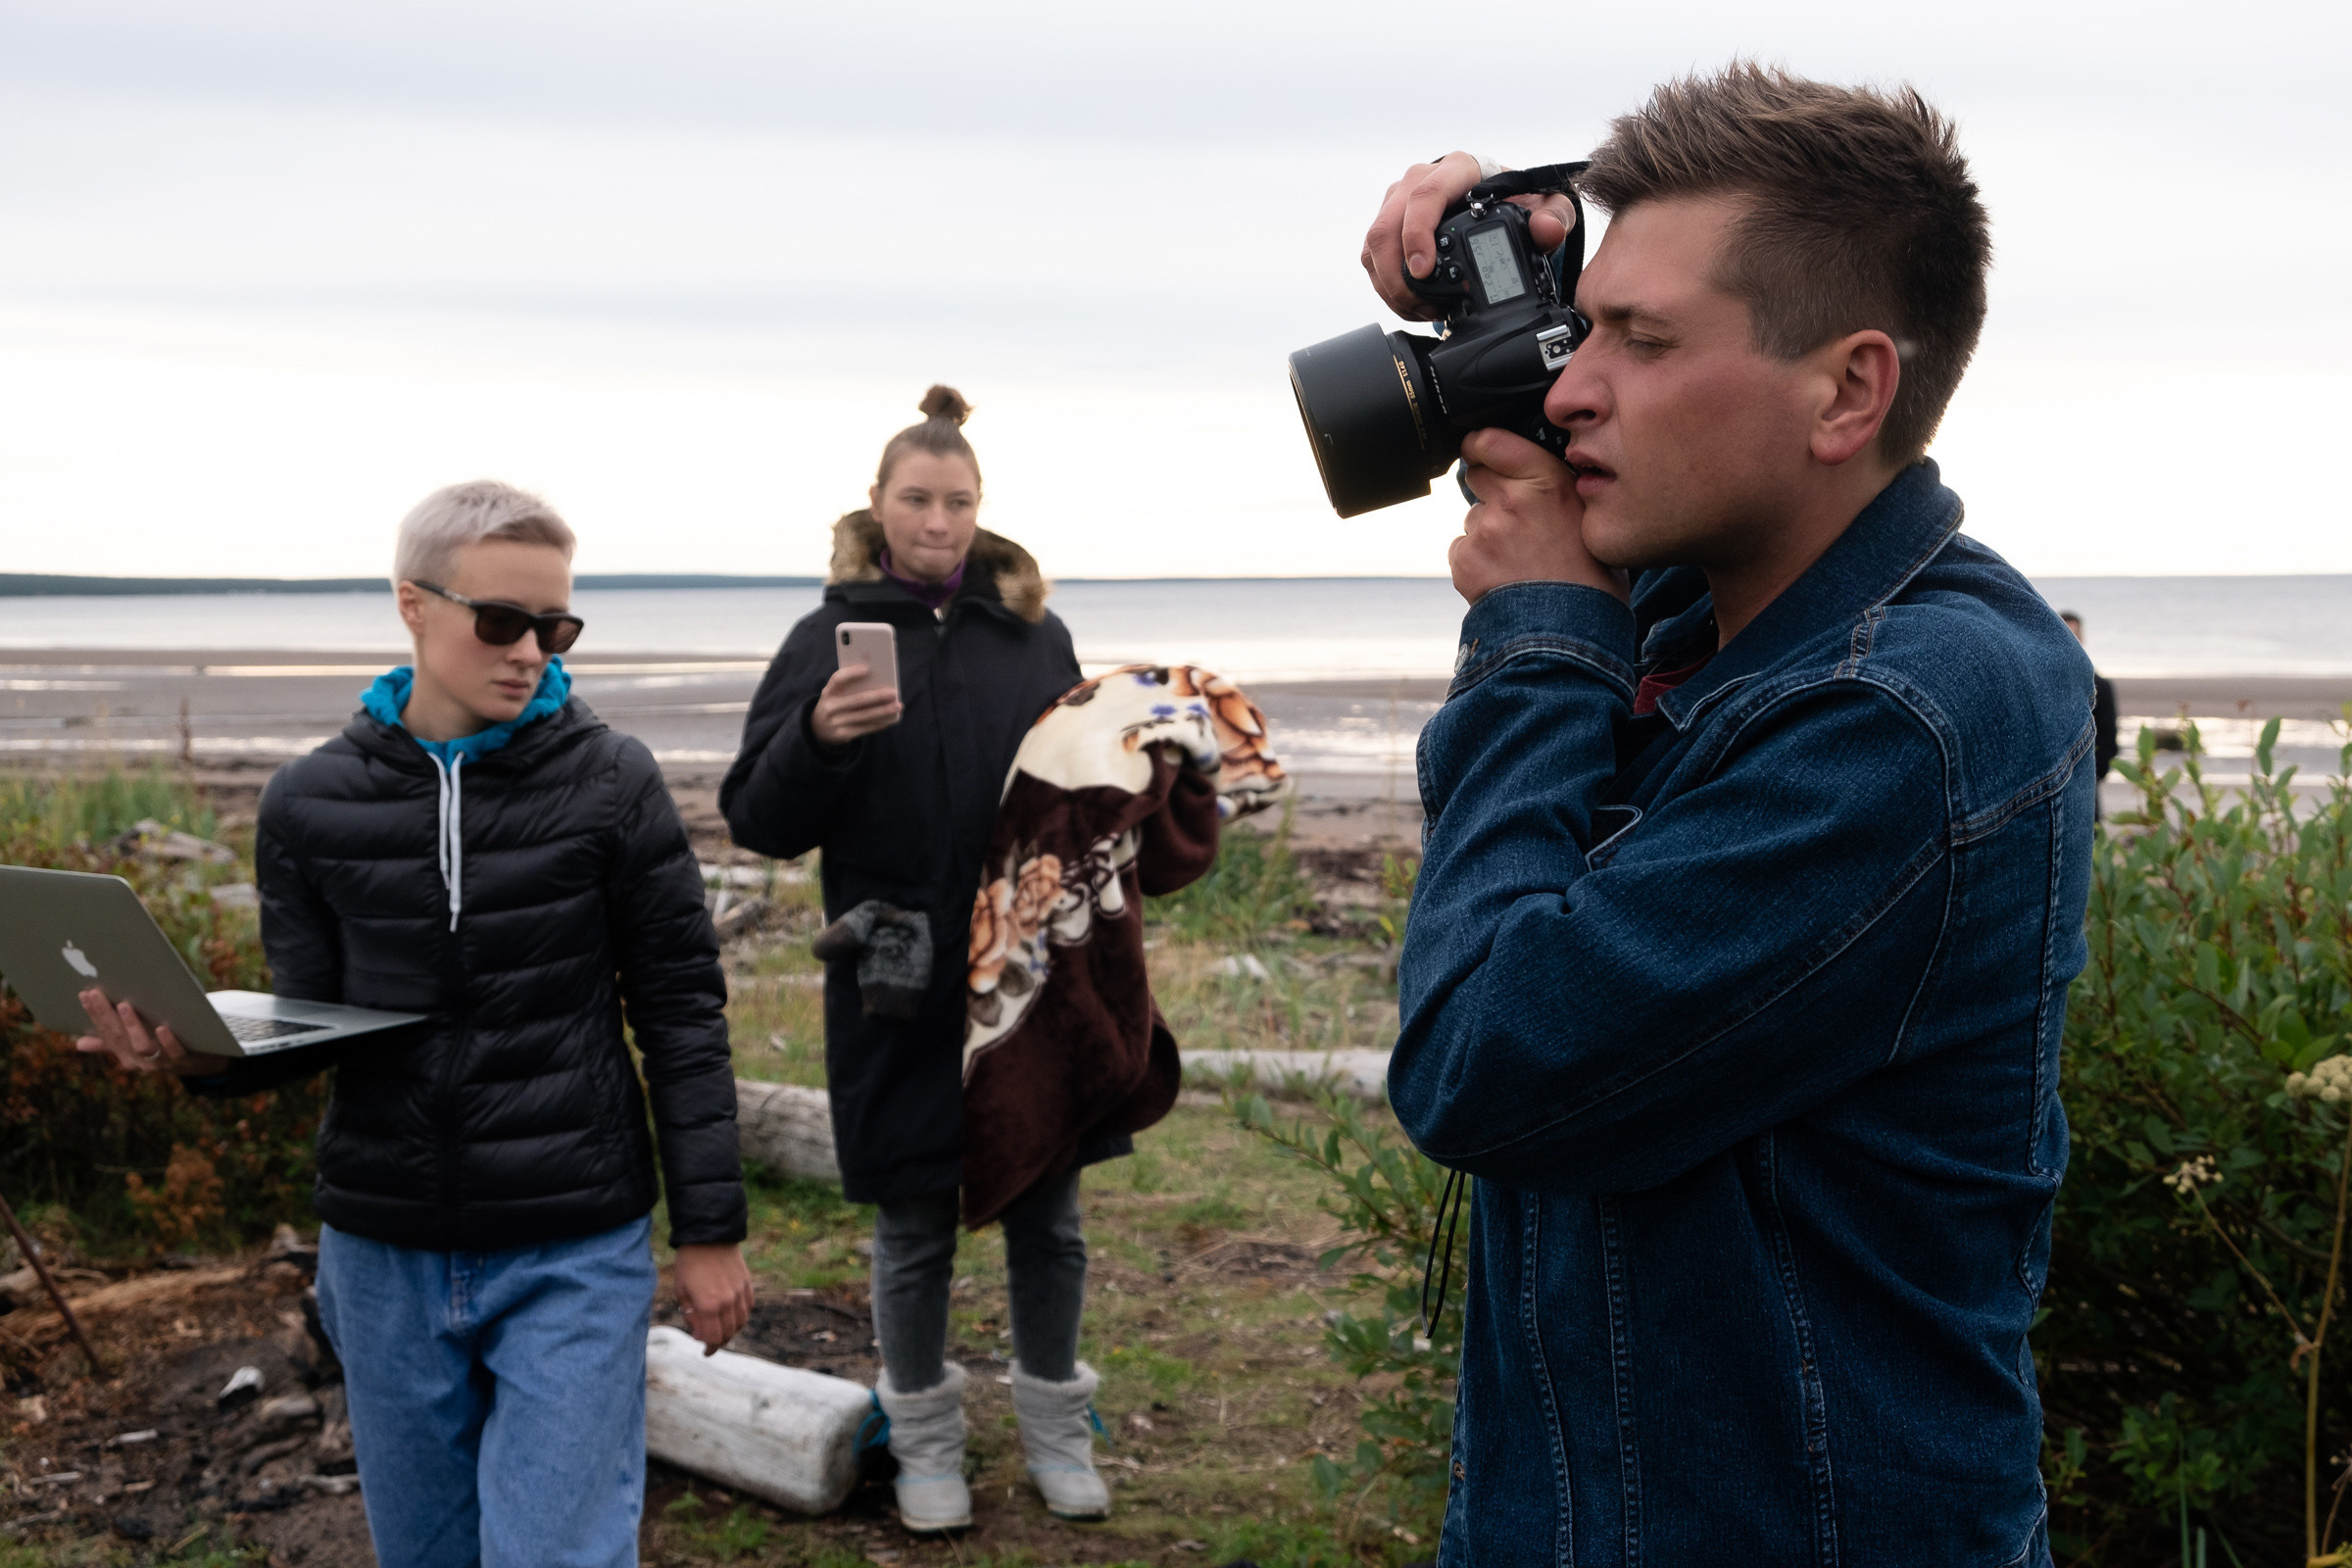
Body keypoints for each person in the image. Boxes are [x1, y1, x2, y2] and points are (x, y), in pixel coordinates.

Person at [1368, 68, 2095, 1564]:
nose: (1572, 389)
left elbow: (1485, 1064)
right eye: (1587, 332)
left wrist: (1545, 638)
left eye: (1641, 341)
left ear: (1848, 389)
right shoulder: (1706, 624)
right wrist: (1514, 263)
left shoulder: (1915, 713)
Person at [74, 480, 753, 1568]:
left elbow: (679, 1007)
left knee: (558, 1554)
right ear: (412, 606)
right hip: (382, 1248)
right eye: (502, 620)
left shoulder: (612, 781)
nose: (531, 650)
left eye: (556, 626)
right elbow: (313, 1023)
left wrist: (711, 1229)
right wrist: (188, 1052)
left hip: (572, 1238)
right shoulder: (308, 802)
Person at [720, 387, 1115, 1532]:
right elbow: (756, 814)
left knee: (1050, 1212)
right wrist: (817, 740)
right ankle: (928, 1447)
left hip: (1024, 972)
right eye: (916, 498)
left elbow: (1075, 784)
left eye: (958, 500)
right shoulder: (823, 641)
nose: (938, 521)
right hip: (891, 976)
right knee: (912, 1221)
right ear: (878, 505)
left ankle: (1055, 1430)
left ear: (980, 508)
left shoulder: (1034, 635)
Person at [2062, 611, 2121, 813]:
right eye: (2064, 635)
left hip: (2086, 785)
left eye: (2074, 636)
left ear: (2082, 638)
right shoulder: (2039, 686)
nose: (2070, 642)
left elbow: (2109, 740)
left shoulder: (2101, 686)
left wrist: (2088, 773)